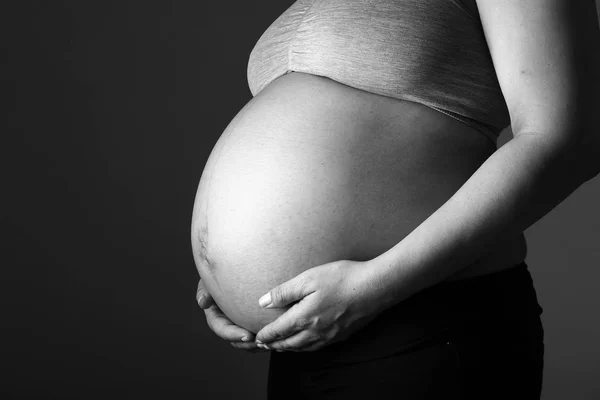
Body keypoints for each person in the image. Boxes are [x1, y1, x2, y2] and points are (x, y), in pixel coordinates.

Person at [193, 0, 600, 398]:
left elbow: (566, 139)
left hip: (419, 318)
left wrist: (374, 286)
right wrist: (228, 276)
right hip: (308, 334)